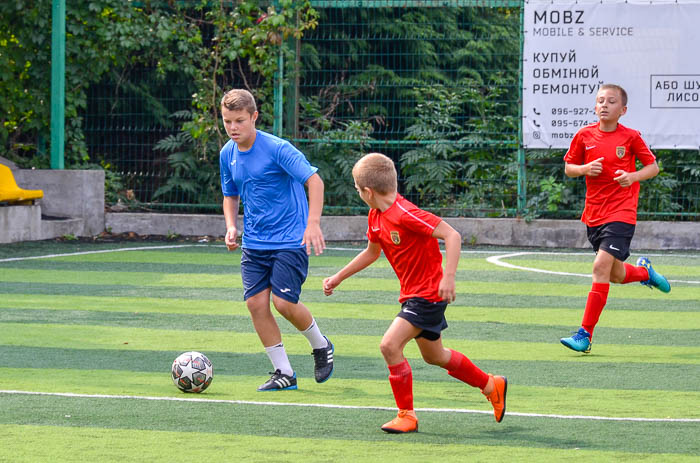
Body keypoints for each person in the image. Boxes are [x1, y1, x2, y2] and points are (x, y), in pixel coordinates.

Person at [323, 152, 507, 433]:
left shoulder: (405, 213)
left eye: (357, 189)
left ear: (368, 192)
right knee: (435, 356)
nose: (358, 193)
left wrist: (449, 276)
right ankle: (491, 385)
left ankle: (406, 415)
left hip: (428, 295)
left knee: (389, 345)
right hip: (413, 295)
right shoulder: (375, 216)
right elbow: (372, 253)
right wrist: (338, 277)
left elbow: (452, 235)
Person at [219, 89, 334, 390]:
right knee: (256, 305)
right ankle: (284, 372)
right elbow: (230, 196)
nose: (233, 128)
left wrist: (313, 223)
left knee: (283, 303)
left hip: (289, 240)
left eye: (240, 121)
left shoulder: (278, 149)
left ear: (254, 117)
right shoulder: (227, 154)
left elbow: (315, 181)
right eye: (228, 121)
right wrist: (231, 226)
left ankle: (320, 345)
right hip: (254, 244)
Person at [560, 83, 671, 354]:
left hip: (622, 212)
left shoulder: (631, 137)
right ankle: (646, 273)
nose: (604, 105)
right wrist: (585, 168)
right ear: (595, 106)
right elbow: (568, 168)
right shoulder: (584, 135)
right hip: (594, 215)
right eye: (600, 100)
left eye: (610, 101)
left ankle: (584, 335)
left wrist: (632, 177)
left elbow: (653, 167)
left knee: (600, 268)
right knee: (616, 275)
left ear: (622, 110)